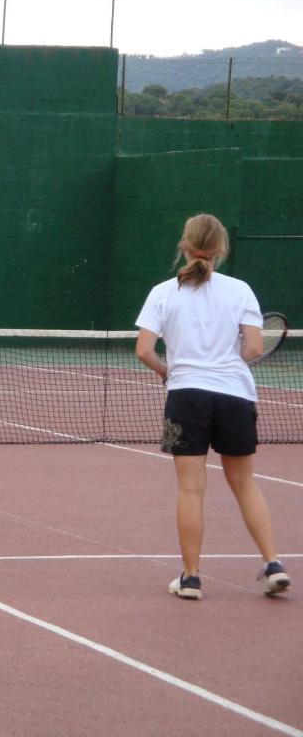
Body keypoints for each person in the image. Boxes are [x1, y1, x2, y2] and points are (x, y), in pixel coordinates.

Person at [134, 213, 290, 600]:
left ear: (184, 245)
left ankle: (190, 579)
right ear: (221, 249)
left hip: (187, 395)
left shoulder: (162, 292)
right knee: (245, 483)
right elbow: (253, 348)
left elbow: (143, 350)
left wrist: (166, 371)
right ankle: (273, 565)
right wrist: (227, 361)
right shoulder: (240, 290)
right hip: (235, 396)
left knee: (191, 490)